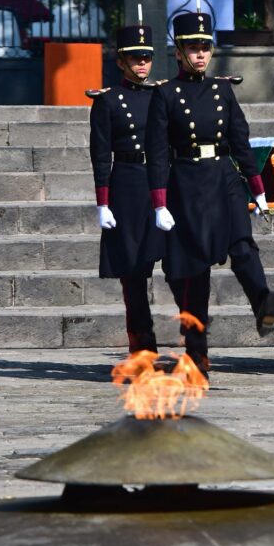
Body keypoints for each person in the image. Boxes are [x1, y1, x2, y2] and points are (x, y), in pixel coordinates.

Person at [144, 9, 274, 376]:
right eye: (193, 48)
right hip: (186, 184)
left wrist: (259, 189)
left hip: (223, 179)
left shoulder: (222, 90)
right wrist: (159, 203)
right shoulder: (166, 94)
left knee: (242, 244)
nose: (201, 54)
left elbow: (240, 142)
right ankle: (197, 356)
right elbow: (157, 153)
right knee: (192, 274)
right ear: (179, 52)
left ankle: (263, 302)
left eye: (205, 47)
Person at [88, 20, 165, 354]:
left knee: (181, 264)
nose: (142, 63)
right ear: (120, 61)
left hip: (162, 180)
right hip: (128, 184)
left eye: (146, 56)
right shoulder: (108, 101)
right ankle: (142, 345)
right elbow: (101, 155)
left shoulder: (162, 96)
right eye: (135, 58)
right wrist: (103, 202)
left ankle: (195, 342)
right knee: (133, 272)